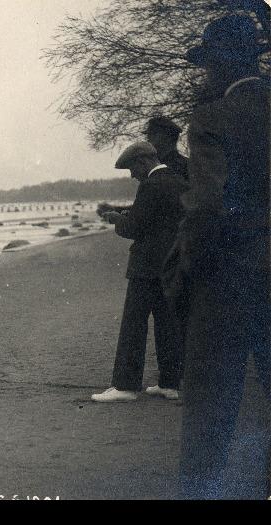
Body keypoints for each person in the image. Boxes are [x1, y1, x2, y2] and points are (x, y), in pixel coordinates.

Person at [166, 14, 270, 499]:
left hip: (231, 277)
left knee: (210, 406)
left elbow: (207, 207)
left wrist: (185, 269)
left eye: (209, 63)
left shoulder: (211, 119)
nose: (206, 74)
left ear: (226, 61)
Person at [91, 142, 187, 403]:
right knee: (168, 325)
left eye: (132, 169)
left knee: (133, 325)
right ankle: (170, 383)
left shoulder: (151, 185)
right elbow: (157, 217)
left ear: (144, 162)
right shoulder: (177, 180)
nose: (132, 175)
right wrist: (127, 213)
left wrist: (116, 219)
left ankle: (125, 385)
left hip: (146, 267)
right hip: (170, 264)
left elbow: (133, 228)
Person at [97, 116, 189, 217]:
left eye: (150, 137)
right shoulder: (187, 164)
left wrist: (117, 214)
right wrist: (116, 209)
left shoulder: (163, 170)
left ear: (164, 137)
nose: (148, 142)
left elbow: (153, 212)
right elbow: (150, 207)